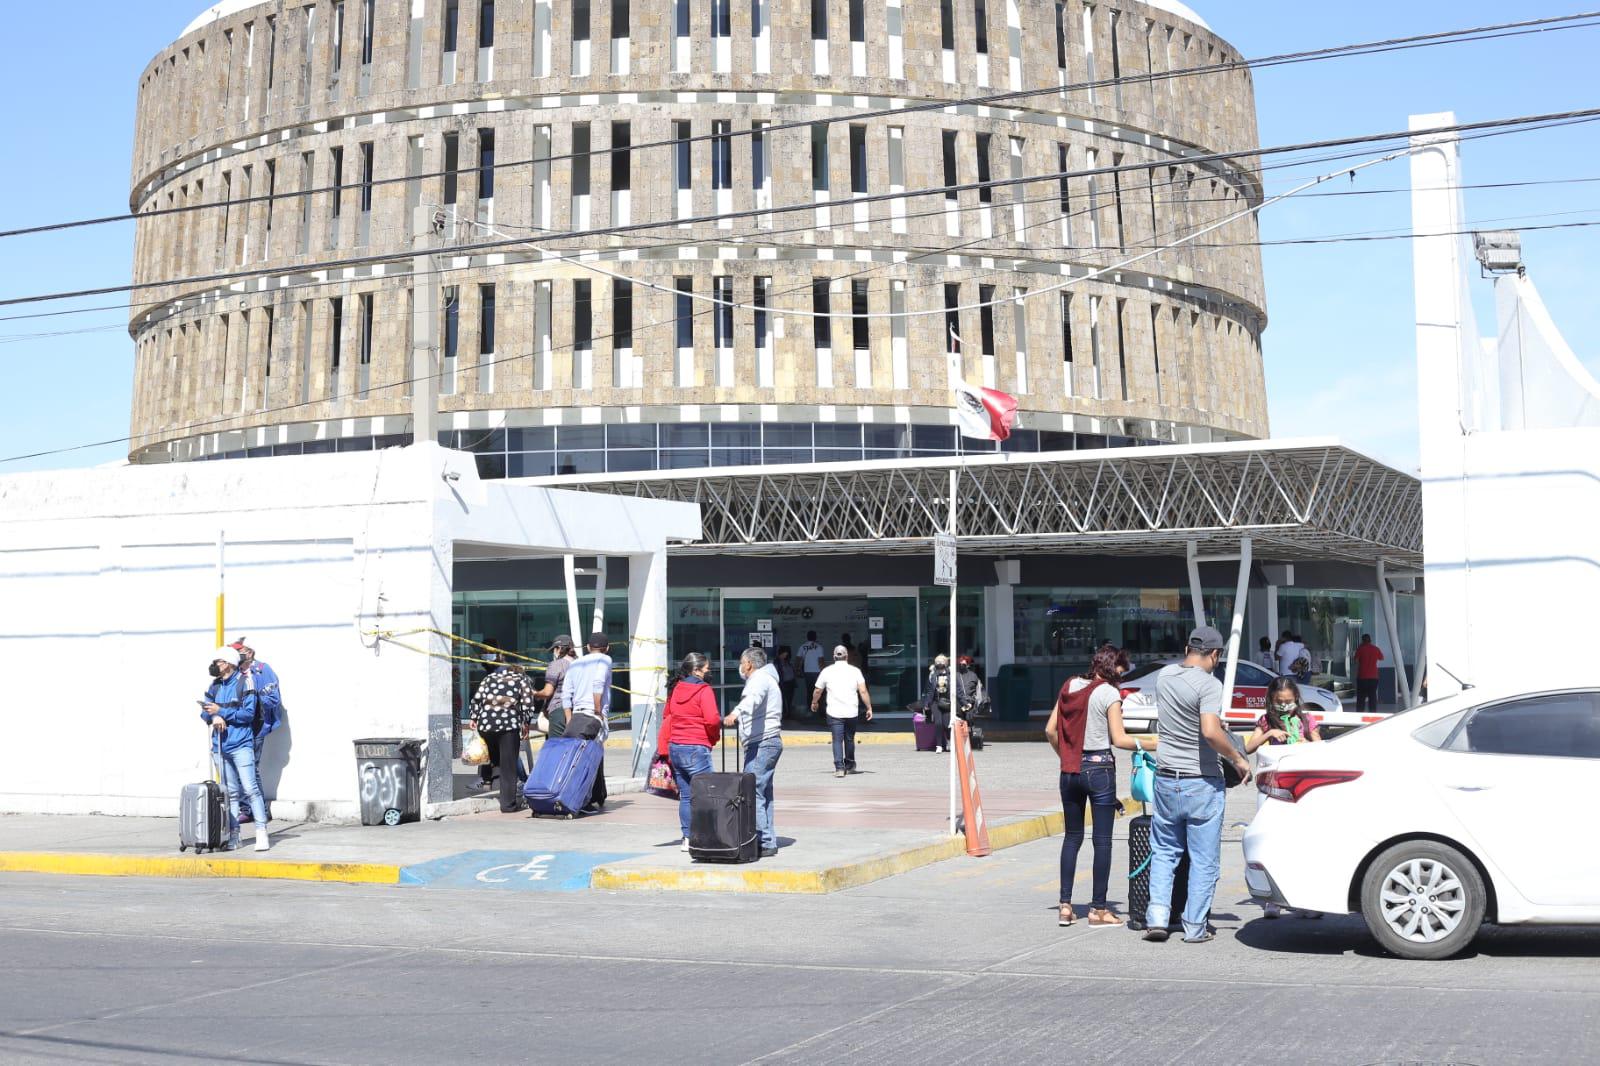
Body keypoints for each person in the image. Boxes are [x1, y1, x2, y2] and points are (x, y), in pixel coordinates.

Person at [1144, 625, 1252, 944]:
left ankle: (1158, 918)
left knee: (1164, 852)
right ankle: (1194, 927)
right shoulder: (1209, 685)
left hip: (1165, 778)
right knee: (1203, 860)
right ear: (1215, 654)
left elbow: (1183, 719)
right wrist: (1238, 758)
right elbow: (1209, 731)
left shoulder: (1164, 676)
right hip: (1200, 781)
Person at [1046, 645, 1148, 928]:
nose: (1122, 677)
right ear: (1113, 667)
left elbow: (1049, 730)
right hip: (1099, 769)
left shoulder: (1069, 685)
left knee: (1072, 838)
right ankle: (1098, 910)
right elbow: (1120, 738)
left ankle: (1065, 906)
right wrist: (1155, 742)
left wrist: (1067, 757)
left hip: (1070, 771)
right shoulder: (1108, 693)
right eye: (1121, 671)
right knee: (1101, 842)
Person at [1246, 677, 1322, 919]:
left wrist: (1306, 743)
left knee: (1302, 844)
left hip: (1300, 789)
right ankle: (1273, 900)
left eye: (1289, 701)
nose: (1284, 706)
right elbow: (1249, 747)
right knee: (1270, 843)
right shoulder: (1266, 720)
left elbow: (1320, 746)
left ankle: (1306, 899)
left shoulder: (1306, 720)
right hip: (1272, 788)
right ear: (1271, 701)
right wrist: (1269, 732)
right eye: (1280, 702)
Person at [200, 647, 269, 852]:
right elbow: (204, 711)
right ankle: (234, 835)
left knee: (251, 789)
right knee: (230, 793)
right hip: (220, 747)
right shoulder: (215, 685)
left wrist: (221, 711)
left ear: (229, 663)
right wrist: (214, 716)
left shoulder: (245, 682)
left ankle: (261, 832)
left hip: (241, 745)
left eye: (219, 661)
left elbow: (248, 714)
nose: (216, 665)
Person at [656, 652, 722, 851]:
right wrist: (714, 736)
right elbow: (712, 719)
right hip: (696, 747)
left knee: (686, 796)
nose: (709, 671)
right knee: (707, 794)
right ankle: (709, 836)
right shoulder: (704, 690)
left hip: (676, 747)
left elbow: (667, 714)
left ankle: (687, 838)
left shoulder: (676, 689)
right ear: (696, 670)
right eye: (707, 668)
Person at [724, 647, 785, 857]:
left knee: (752, 791)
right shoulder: (768, 678)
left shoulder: (759, 678)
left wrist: (735, 712)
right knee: (763, 793)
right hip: (764, 743)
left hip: (762, 743)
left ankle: (763, 840)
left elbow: (753, 699)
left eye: (742, 663)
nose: (740, 667)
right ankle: (767, 839)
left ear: (748, 664)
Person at [468, 639, 539, 813]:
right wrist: (526, 723)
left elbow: (477, 699)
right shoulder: (521, 679)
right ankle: (508, 805)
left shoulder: (489, 678)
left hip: (486, 724)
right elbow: (528, 704)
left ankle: (487, 778)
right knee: (509, 766)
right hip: (508, 725)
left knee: (494, 757)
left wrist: (474, 717)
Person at [227, 637, 283, 824]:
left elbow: (272, 699)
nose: (235, 655)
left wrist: (253, 694)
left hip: (256, 726)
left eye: (239, 650)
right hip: (237, 727)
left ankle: (258, 810)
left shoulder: (262, 670)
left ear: (249, 652)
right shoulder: (234, 672)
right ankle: (246, 808)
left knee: (252, 768)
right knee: (239, 768)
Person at [560, 632, 615, 812]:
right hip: (593, 715)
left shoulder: (574, 663)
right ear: (607, 648)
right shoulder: (605, 660)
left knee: (590, 754)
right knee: (591, 756)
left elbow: (566, 693)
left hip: (577, 716)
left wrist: (569, 718)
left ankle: (599, 794)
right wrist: (598, 712)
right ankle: (585, 800)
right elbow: (598, 683)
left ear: (588, 647)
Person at [812, 645, 872, 777]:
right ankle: (850, 765)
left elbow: (818, 690)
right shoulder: (855, 671)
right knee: (849, 739)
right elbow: (863, 690)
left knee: (837, 740)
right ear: (847, 656)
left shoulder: (827, 671)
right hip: (851, 711)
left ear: (834, 656)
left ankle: (839, 768)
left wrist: (814, 702)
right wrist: (869, 707)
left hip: (834, 712)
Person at [534, 635, 578, 738]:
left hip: (559, 711)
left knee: (557, 747)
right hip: (578, 710)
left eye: (554, 649)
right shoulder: (580, 663)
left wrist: (534, 693)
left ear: (559, 649)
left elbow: (547, 692)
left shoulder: (556, 665)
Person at [923, 654, 953, 753]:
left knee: (946, 724)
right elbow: (929, 690)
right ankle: (939, 745)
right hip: (935, 702)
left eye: (942, 661)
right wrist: (927, 703)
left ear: (946, 662)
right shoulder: (932, 674)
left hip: (947, 702)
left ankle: (949, 742)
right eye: (937, 662)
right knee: (938, 723)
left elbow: (956, 689)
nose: (940, 663)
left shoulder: (950, 673)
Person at [1353, 633, 1384, 713]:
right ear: (1370, 640)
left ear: (1362, 640)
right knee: (1372, 696)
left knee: (1361, 697)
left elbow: (1355, 660)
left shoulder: (1360, 649)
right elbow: (1381, 658)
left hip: (1362, 677)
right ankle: (1372, 713)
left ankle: (1360, 713)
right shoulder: (1376, 649)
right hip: (1374, 677)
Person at [798, 631, 825, 714]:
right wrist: (823, 672)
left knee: (809, 691)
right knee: (819, 691)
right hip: (817, 673)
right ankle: (820, 711)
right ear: (815, 637)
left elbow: (798, 659)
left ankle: (810, 711)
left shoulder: (803, 647)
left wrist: (797, 670)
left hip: (807, 672)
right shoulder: (819, 647)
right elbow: (821, 661)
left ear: (807, 637)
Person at [774, 646, 797, 720]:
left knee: (789, 699)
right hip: (783, 683)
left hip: (790, 682)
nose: (786, 655)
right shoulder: (777, 662)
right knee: (784, 699)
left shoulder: (787, 661)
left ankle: (788, 713)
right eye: (785, 653)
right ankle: (785, 713)